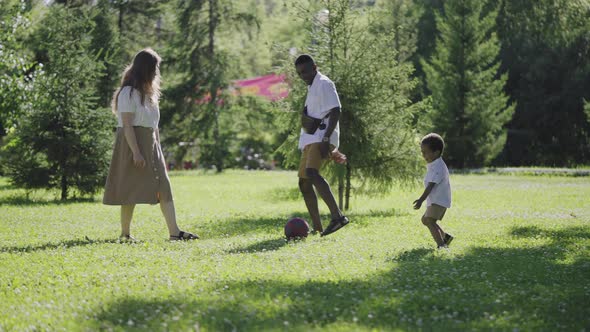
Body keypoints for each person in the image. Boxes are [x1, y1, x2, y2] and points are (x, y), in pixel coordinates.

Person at [103, 48, 199, 241]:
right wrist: (136, 152)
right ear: (144, 68)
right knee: (130, 188)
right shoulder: (128, 93)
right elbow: (128, 126)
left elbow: (154, 127)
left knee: (164, 186)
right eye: (154, 68)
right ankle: (125, 234)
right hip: (132, 144)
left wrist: (158, 152)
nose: (156, 72)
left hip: (152, 146)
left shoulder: (150, 95)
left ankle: (175, 232)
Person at [295, 54, 349, 237]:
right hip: (311, 139)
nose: (303, 76)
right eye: (300, 73)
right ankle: (317, 227)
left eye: (306, 71)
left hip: (321, 137)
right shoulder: (312, 87)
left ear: (315, 67)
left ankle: (337, 217)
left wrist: (327, 140)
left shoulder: (325, 83)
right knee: (304, 182)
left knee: (311, 173)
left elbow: (335, 110)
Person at [413, 133, 453, 249]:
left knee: (429, 220)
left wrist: (421, 200)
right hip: (435, 200)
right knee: (425, 220)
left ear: (436, 152)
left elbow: (430, 186)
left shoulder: (438, 167)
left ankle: (442, 245)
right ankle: (445, 237)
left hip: (439, 201)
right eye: (422, 152)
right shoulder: (434, 164)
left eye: (425, 152)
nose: (423, 155)